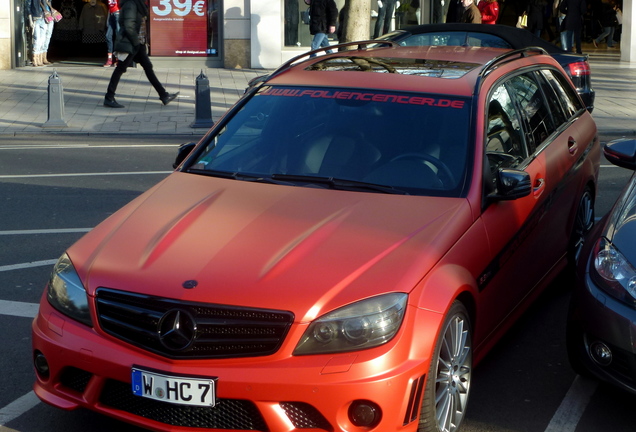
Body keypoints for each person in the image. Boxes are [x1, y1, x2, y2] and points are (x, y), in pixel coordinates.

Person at [104, 0, 179, 108]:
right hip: (132, 43)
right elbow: (128, 25)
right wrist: (135, 43)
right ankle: (109, 97)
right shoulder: (131, 4)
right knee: (120, 68)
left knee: (147, 67)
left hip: (139, 43)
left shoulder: (137, 4)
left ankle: (163, 95)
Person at [25, 0, 55, 66]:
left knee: (44, 39)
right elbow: (28, 7)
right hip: (37, 18)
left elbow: (48, 5)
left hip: (46, 17)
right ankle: (35, 58)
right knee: (37, 39)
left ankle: (41, 57)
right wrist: (30, 19)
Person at [104, 0, 120, 66]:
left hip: (118, 13)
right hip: (111, 14)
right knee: (108, 36)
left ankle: (118, 58)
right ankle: (110, 58)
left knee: (118, 36)